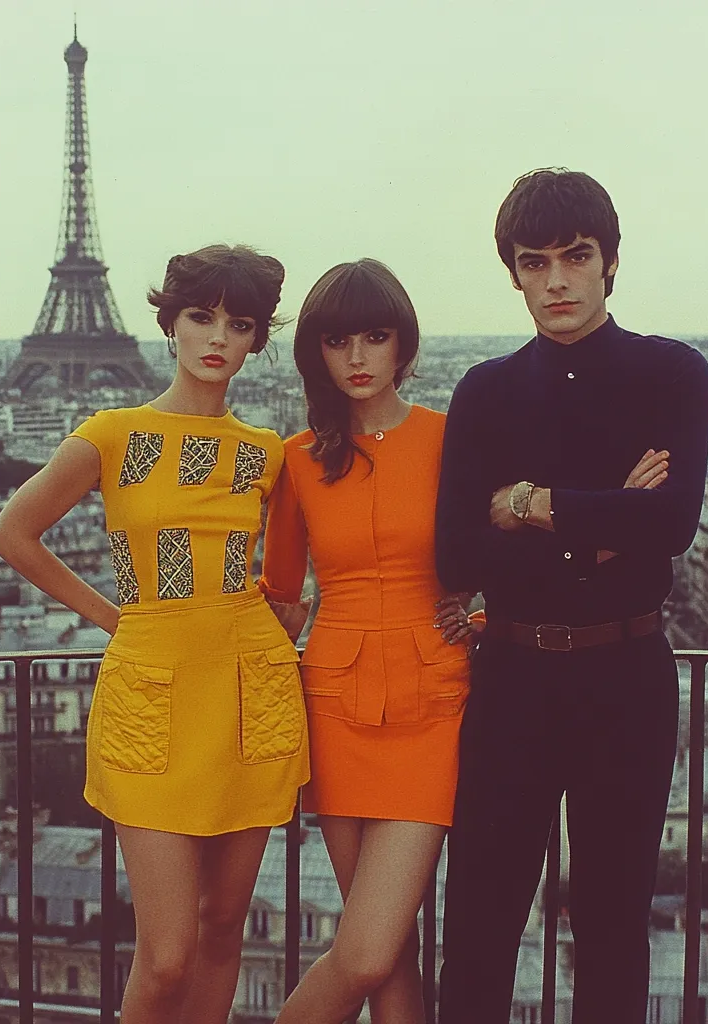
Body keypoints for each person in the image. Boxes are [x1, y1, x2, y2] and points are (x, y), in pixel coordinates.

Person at [0, 244, 310, 1024]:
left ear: (256, 340)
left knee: (223, 927)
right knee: (166, 954)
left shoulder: (266, 453)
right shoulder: (113, 433)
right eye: (201, 317)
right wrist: (115, 618)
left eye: (238, 324)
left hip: (249, 693)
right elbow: (13, 532)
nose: (216, 337)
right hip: (153, 693)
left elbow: (292, 582)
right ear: (168, 325)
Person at [435, 168, 708, 1023]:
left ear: (611, 263)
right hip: (517, 676)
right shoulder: (483, 389)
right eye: (534, 261)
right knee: (480, 918)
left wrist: (527, 505)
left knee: (612, 922)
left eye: (575, 256)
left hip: (622, 678)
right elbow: (454, 553)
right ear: (513, 273)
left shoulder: (676, 373)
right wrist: (602, 521)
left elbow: (669, 523)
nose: (556, 280)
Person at [260, 258, 476, 1024]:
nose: (355, 358)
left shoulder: (455, 441)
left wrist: (477, 622)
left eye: (374, 337)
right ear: (314, 352)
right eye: (336, 340)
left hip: (433, 709)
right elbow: (279, 600)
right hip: (334, 709)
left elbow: (507, 559)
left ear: (402, 344)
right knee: (388, 953)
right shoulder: (294, 461)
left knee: (367, 949)